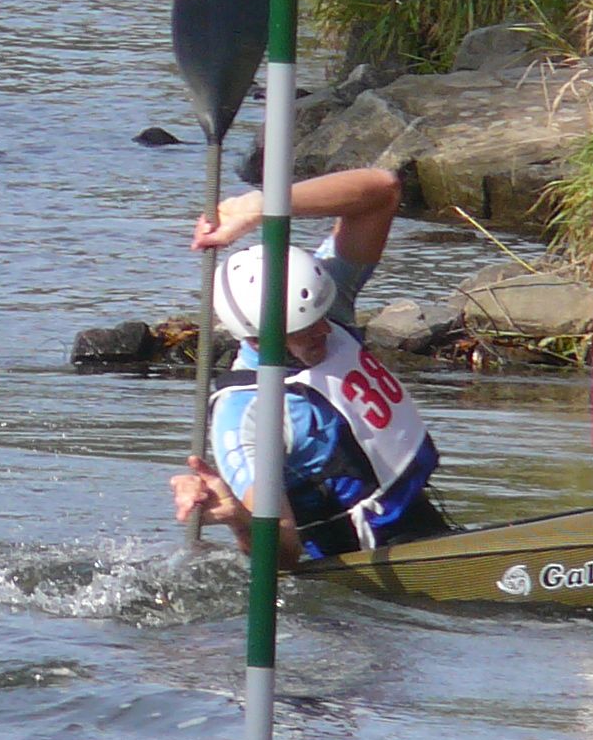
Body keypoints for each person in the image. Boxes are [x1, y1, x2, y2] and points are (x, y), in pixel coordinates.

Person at [170, 167, 450, 568]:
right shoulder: (247, 418)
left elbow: (382, 191)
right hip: (359, 572)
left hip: (424, 532)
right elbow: (283, 554)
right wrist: (238, 519)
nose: (326, 330)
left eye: (321, 316)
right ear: (256, 339)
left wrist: (264, 206)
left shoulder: (325, 308)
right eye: (303, 330)